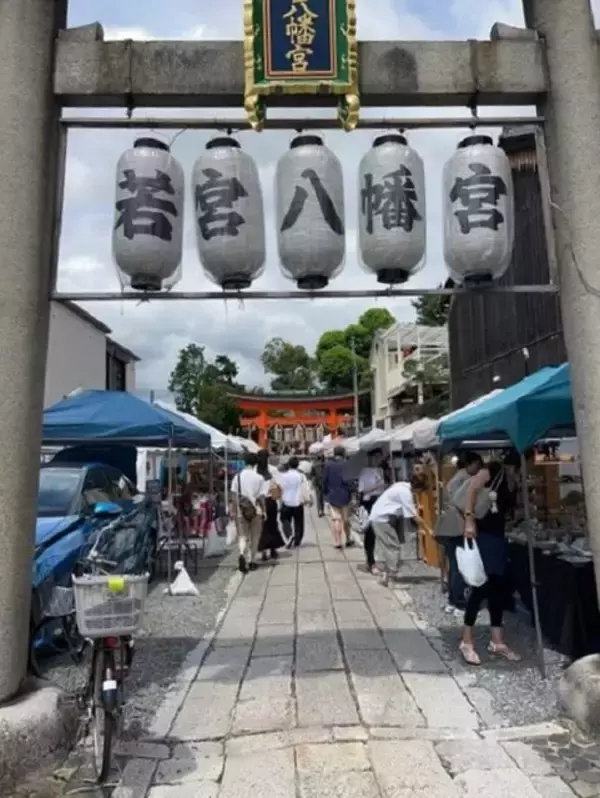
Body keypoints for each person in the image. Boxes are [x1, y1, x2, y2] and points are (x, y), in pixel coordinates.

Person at [459, 452, 521, 666]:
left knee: (498, 587)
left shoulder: (514, 480)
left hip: (498, 537)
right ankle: (466, 640)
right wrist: (469, 521)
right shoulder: (492, 471)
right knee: (480, 586)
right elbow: (471, 490)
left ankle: (497, 640)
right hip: (482, 535)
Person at [436, 451, 483, 616]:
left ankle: (452, 600)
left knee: (454, 565)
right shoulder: (465, 479)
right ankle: (459, 603)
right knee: (459, 566)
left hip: (450, 526)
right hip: (458, 526)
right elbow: (464, 504)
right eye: (477, 465)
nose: (479, 468)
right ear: (470, 464)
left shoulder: (456, 478)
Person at [369, 478, 418, 586]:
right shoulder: (405, 492)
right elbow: (413, 515)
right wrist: (428, 529)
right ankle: (391, 579)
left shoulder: (401, 485)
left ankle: (384, 576)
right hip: (382, 519)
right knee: (393, 547)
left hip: (380, 516)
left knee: (387, 547)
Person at [230, 452, 266, 574]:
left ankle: (241, 554)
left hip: (241, 509)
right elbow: (261, 497)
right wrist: (264, 510)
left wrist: (236, 510)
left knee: (243, 536)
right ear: (255, 463)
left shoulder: (237, 477)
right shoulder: (259, 478)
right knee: (255, 536)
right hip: (256, 510)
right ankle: (252, 561)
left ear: (245, 462)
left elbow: (234, 495)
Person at [357, 448, 386, 574]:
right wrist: (377, 486)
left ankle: (379, 560)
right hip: (369, 503)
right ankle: (371, 561)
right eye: (376, 457)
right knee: (370, 533)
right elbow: (362, 489)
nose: (378, 460)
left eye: (380, 457)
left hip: (380, 501)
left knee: (380, 533)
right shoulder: (365, 471)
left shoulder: (381, 470)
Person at [323, 446, 354, 549]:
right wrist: (352, 492)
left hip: (332, 495)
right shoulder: (347, 465)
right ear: (343, 453)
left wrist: (325, 492)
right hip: (345, 495)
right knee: (346, 519)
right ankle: (348, 539)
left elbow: (325, 480)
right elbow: (350, 481)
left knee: (336, 519)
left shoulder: (328, 465)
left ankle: (337, 541)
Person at [256, 449, 284, 561]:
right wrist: (280, 501)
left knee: (261, 526)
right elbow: (279, 485)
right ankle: (273, 549)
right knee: (272, 525)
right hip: (270, 500)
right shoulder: (273, 470)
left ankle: (263, 550)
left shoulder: (254, 470)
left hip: (258, 501)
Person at [278, 456, 308, 547]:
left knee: (284, 519)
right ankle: (297, 540)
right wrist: (308, 499)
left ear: (289, 465)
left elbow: (280, 488)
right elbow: (306, 488)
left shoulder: (283, 476)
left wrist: (279, 501)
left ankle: (289, 535)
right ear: (298, 465)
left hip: (286, 501)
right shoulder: (301, 476)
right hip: (298, 501)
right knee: (299, 522)